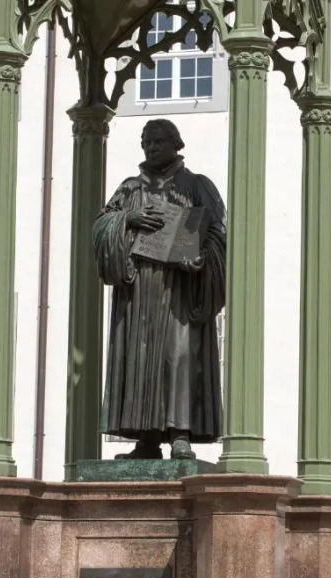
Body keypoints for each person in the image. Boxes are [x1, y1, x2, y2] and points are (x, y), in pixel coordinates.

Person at [93, 119, 226, 460]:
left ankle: (180, 432)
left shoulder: (196, 186)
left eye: (157, 141)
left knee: (179, 357)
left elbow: (217, 234)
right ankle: (146, 438)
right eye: (145, 141)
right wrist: (127, 219)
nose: (150, 147)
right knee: (138, 358)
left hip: (179, 291)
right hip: (139, 293)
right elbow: (102, 227)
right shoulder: (129, 189)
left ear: (175, 145)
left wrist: (201, 259)